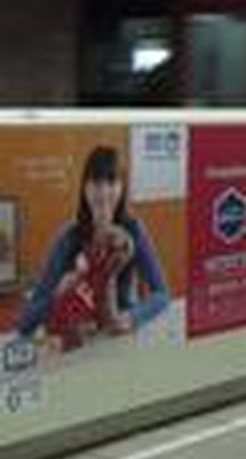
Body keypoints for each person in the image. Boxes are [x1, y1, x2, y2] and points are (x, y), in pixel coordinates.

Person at [16, 146, 169, 349]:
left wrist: (133, 317)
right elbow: (26, 323)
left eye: (112, 182)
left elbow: (162, 294)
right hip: (78, 346)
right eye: (96, 182)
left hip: (120, 342)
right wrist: (58, 293)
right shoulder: (69, 238)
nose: (104, 192)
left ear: (122, 187)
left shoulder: (133, 230)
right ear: (85, 188)